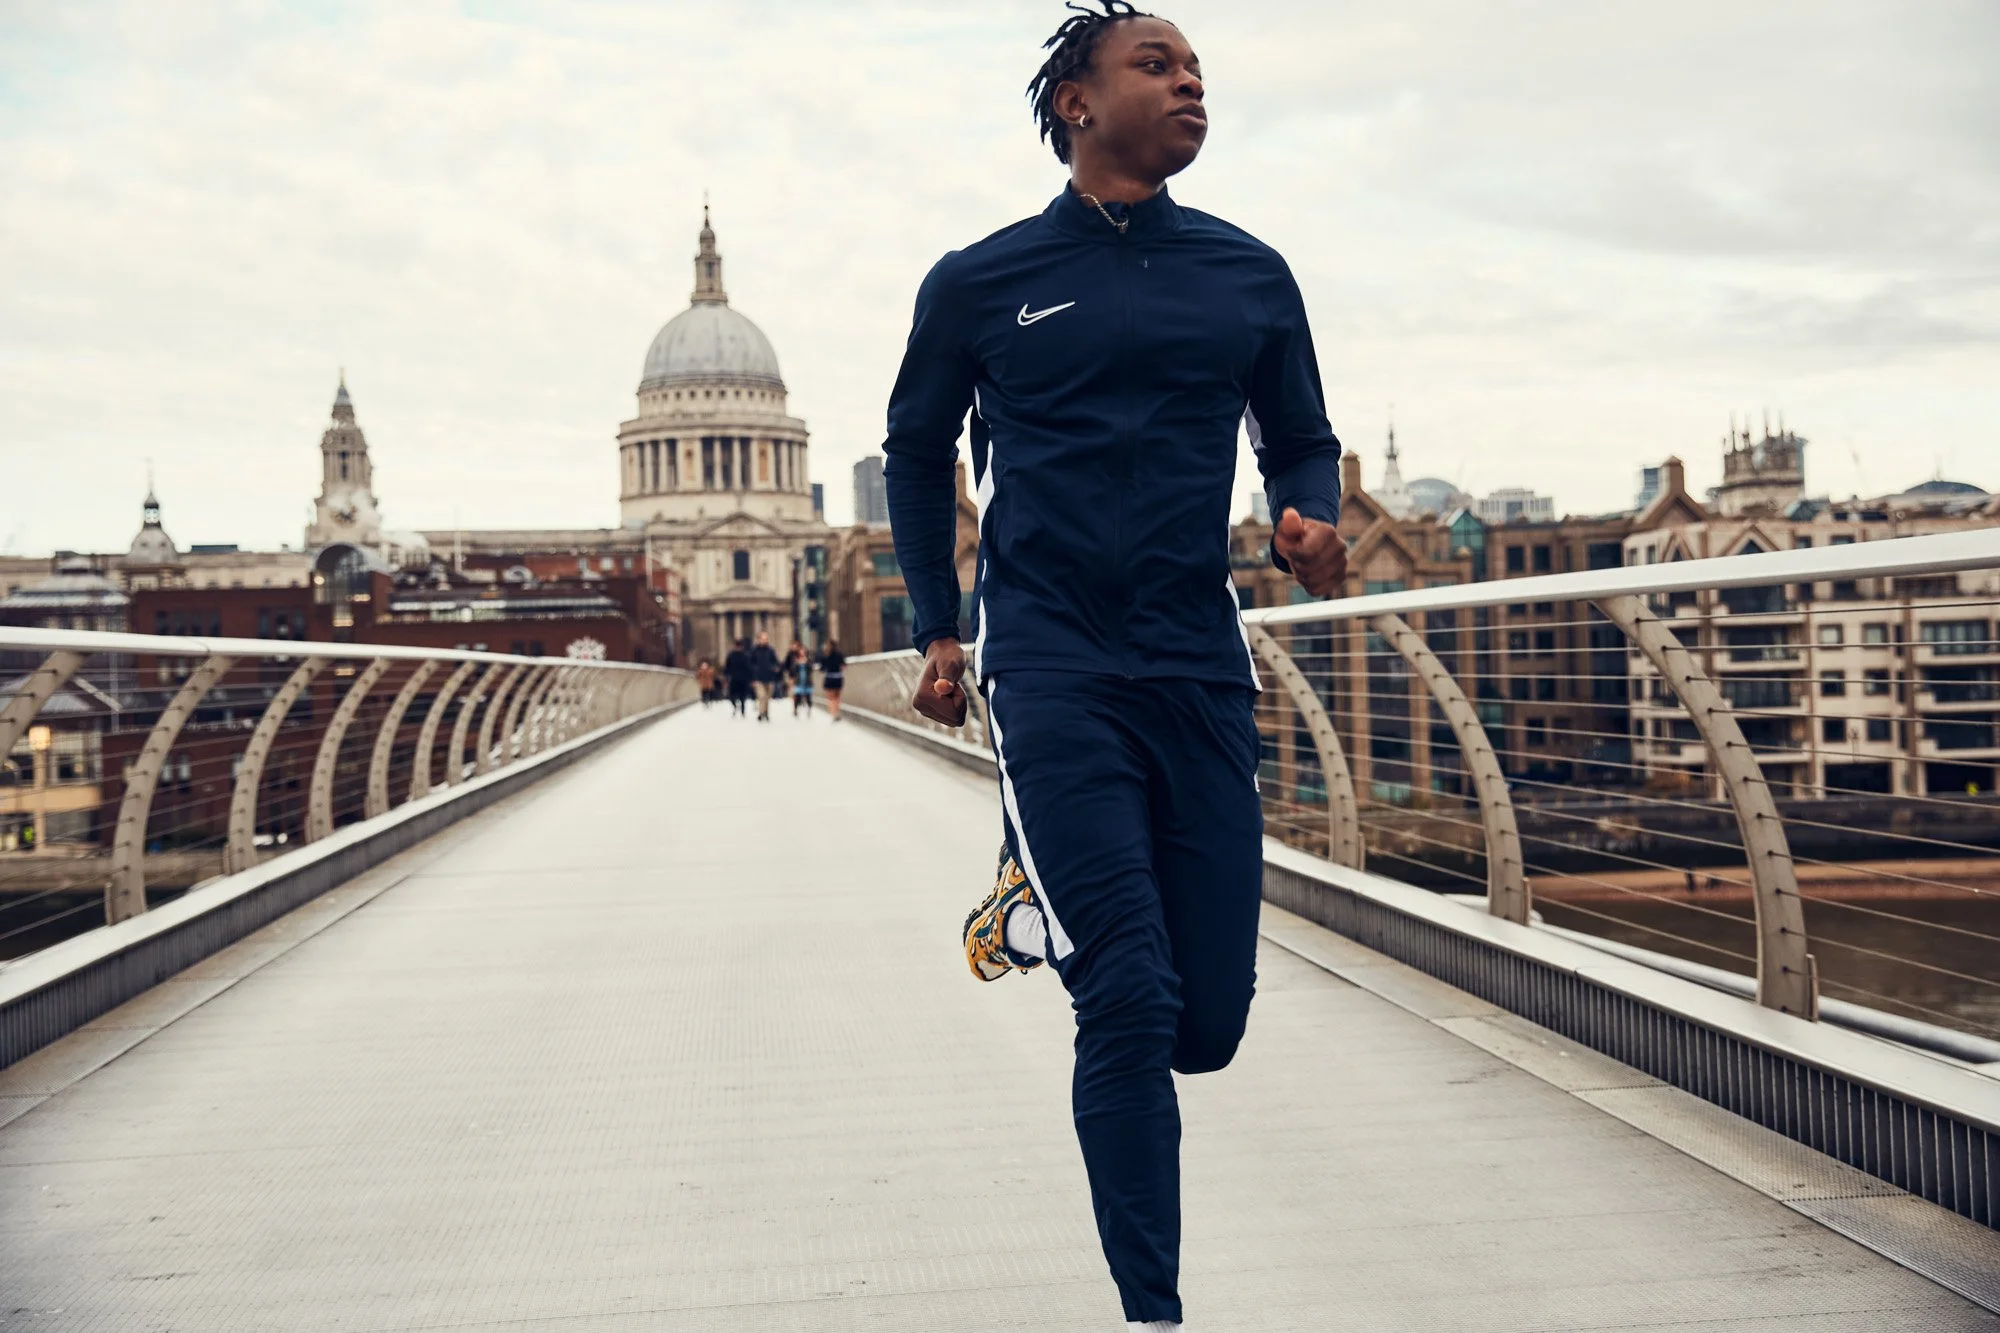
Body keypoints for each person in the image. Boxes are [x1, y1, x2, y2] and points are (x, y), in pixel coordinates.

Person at [881, 5, 1347, 1328]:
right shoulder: (979, 279)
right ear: (1077, 104)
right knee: (1131, 1003)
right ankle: (1155, 1314)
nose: (1192, 82)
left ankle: (1033, 905)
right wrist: (939, 626)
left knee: (1207, 1027)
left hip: (1197, 663)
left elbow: (1300, 436)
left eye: (1200, 68)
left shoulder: (1251, 274)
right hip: (1051, 660)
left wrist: (1307, 518)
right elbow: (916, 450)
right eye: (1159, 64)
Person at [748, 630, 782, 723]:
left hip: (769, 677)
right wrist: (754, 674)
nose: (765, 640)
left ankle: (765, 713)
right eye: (763, 639)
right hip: (758, 678)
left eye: (766, 639)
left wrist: (775, 668)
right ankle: (761, 713)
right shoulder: (754, 650)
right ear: (759, 639)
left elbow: (776, 662)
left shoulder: (771, 650)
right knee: (761, 696)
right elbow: (750, 664)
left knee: (767, 697)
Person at [722, 639, 752, 717]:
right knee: (731, 696)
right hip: (733, 679)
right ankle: (735, 706)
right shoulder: (731, 655)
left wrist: (750, 678)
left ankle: (742, 710)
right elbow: (727, 667)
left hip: (743, 679)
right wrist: (725, 677)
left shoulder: (746, 656)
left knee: (743, 696)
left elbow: (749, 668)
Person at [819, 640, 846, 721]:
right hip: (838, 677)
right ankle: (836, 712)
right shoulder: (840, 655)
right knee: (837, 697)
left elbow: (822, 669)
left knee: (831, 698)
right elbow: (844, 666)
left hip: (829, 678)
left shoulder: (825, 656)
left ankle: (834, 713)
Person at [788, 640, 815, 716]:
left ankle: (809, 709)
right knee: (797, 695)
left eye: (803, 651)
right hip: (798, 680)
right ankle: (795, 710)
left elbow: (811, 669)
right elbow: (792, 669)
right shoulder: (795, 660)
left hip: (807, 680)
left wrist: (806, 662)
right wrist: (797, 663)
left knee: (808, 696)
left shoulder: (809, 660)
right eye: (801, 651)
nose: (802, 652)